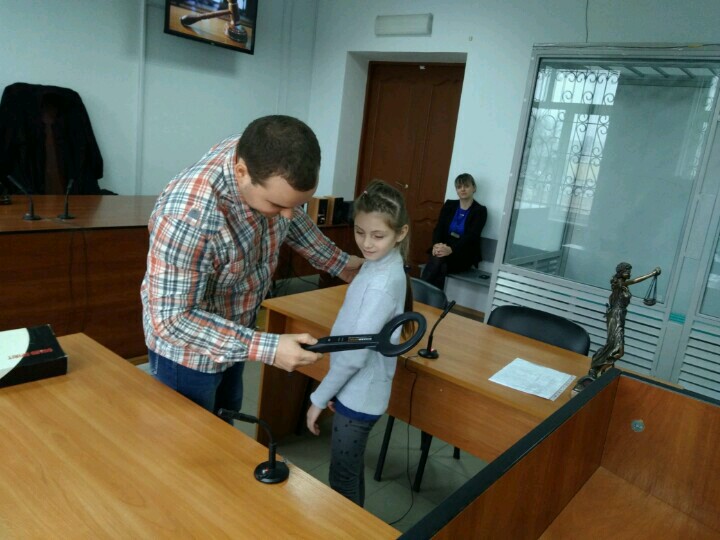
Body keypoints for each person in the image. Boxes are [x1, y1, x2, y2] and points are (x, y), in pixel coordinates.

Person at [141, 115, 363, 417]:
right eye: (276, 205)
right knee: (188, 440)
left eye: (296, 205)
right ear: (241, 173)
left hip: (237, 335)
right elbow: (171, 319)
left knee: (225, 424)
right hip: (187, 356)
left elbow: (290, 214)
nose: (288, 216)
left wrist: (340, 263)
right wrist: (269, 348)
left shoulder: (263, 155)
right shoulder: (189, 217)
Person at [306, 180, 414, 507]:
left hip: (360, 395)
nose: (366, 243)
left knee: (342, 480)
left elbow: (354, 354)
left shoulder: (382, 282)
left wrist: (319, 398)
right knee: (349, 474)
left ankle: (350, 528)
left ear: (401, 233)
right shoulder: (380, 264)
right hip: (357, 388)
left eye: (377, 236)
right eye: (359, 231)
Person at [421, 173, 487, 290]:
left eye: (466, 186)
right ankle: (435, 299)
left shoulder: (480, 211)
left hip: (463, 253)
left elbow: (471, 236)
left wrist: (451, 249)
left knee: (438, 261)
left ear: (474, 188)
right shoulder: (449, 205)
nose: (462, 189)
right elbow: (439, 228)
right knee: (440, 262)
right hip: (444, 248)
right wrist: (436, 245)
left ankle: (419, 294)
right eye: (459, 187)